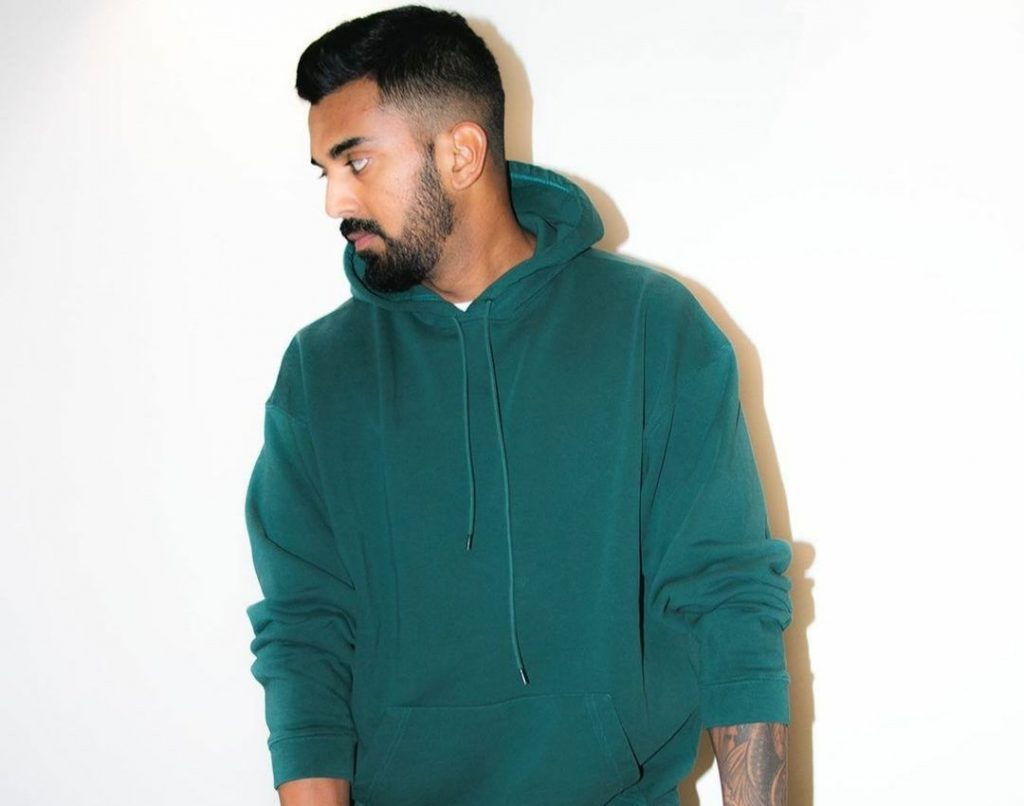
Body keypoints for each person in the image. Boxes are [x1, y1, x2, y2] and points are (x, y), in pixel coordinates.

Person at [243, 6, 793, 805]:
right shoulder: (320, 372)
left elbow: (729, 600)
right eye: (325, 171)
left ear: (461, 152)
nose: (335, 201)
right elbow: (305, 635)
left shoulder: (650, 328)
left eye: (356, 162)